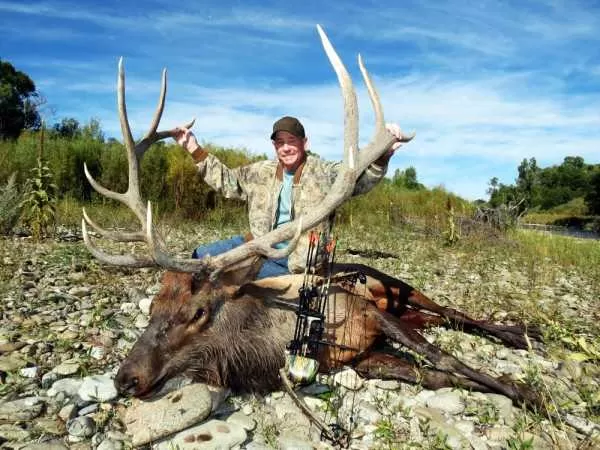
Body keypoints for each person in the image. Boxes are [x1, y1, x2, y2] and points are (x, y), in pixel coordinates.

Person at [171, 116, 406, 279]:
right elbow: (226, 181)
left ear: (305, 143)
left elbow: (359, 180)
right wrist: (192, 146)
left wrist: (382, 155)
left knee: (236, 282)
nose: (285, 148)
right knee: (198, 258)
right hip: (257, 247)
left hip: (296, 264)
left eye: (291, 141)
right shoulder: (260, 171)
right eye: (280, 143)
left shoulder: (326, 172)